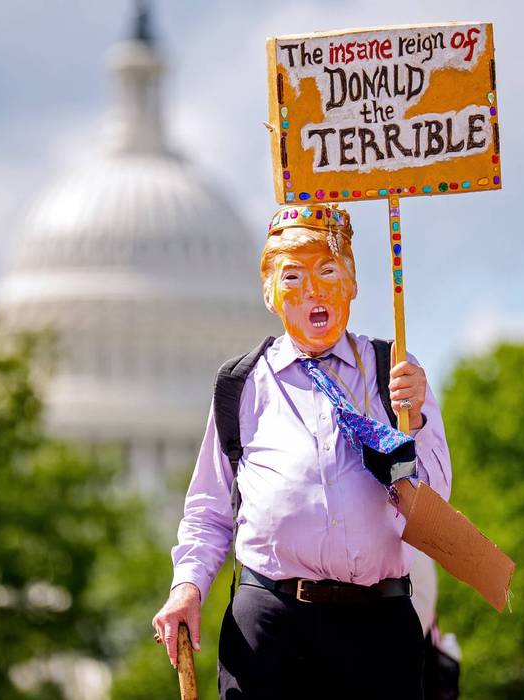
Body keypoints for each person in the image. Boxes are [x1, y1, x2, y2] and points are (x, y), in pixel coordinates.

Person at [151, 203, 453, 699]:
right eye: (292, 276)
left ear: (352, 283)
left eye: (328, 271)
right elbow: (209, 511)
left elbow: (434, 509)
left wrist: (414, 420)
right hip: (270, 628)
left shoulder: (395, 374)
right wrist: (187, 586)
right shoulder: (241, 384)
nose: (313, 289)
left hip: (377, 626)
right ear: (269, 293)